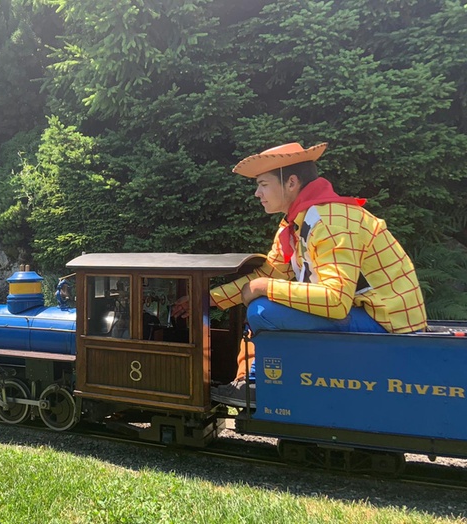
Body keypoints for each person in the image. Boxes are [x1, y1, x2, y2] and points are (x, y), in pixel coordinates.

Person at [174, 142, 427, 408]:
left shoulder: (330, 222)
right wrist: (208, 298)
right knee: (264, 305)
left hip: (387, 326)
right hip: (368, 315)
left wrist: (264, 286)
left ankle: (265, 384)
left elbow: (335, 301)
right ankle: (252, 381)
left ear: (291, 182)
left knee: (262, 311)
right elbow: (270, 271)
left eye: (263, 184)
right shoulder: (299, 221)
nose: (257, 193)